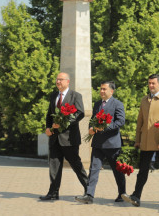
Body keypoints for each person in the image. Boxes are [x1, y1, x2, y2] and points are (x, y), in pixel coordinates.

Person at [122, 74, 159, 207]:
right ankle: (136, 196)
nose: (151, 85)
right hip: (146, 141)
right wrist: (138, 140)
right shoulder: (144, 100)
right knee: (142, 171)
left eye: (153, 83)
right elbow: (140, 121)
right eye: (149, 83)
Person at [39, 72, 88, 200]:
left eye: (61, 79)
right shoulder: (53, 96)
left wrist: (62, 123)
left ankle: (89, 190)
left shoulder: (75, 96)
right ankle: (53, 193)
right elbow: (49, 114)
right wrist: (48, 128)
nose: (58, 82)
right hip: (54, 138)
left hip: (69, 139)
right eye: (57, 79)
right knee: (54, 166)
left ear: (68, 81)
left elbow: (80, 113)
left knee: (76, 165)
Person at [75, 81, 126, 204]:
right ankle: (89, 195)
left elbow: (121, 121)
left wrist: (106, 127)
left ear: (111, 91)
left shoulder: (117, 104)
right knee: (93, 169)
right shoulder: (97, 104)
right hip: (98, 143)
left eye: (104, 89)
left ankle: (122, 193)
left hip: (112, 144)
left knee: (117, 170)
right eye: (101, 89)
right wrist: (91, 128)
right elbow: (93, 119)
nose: (101, 91)